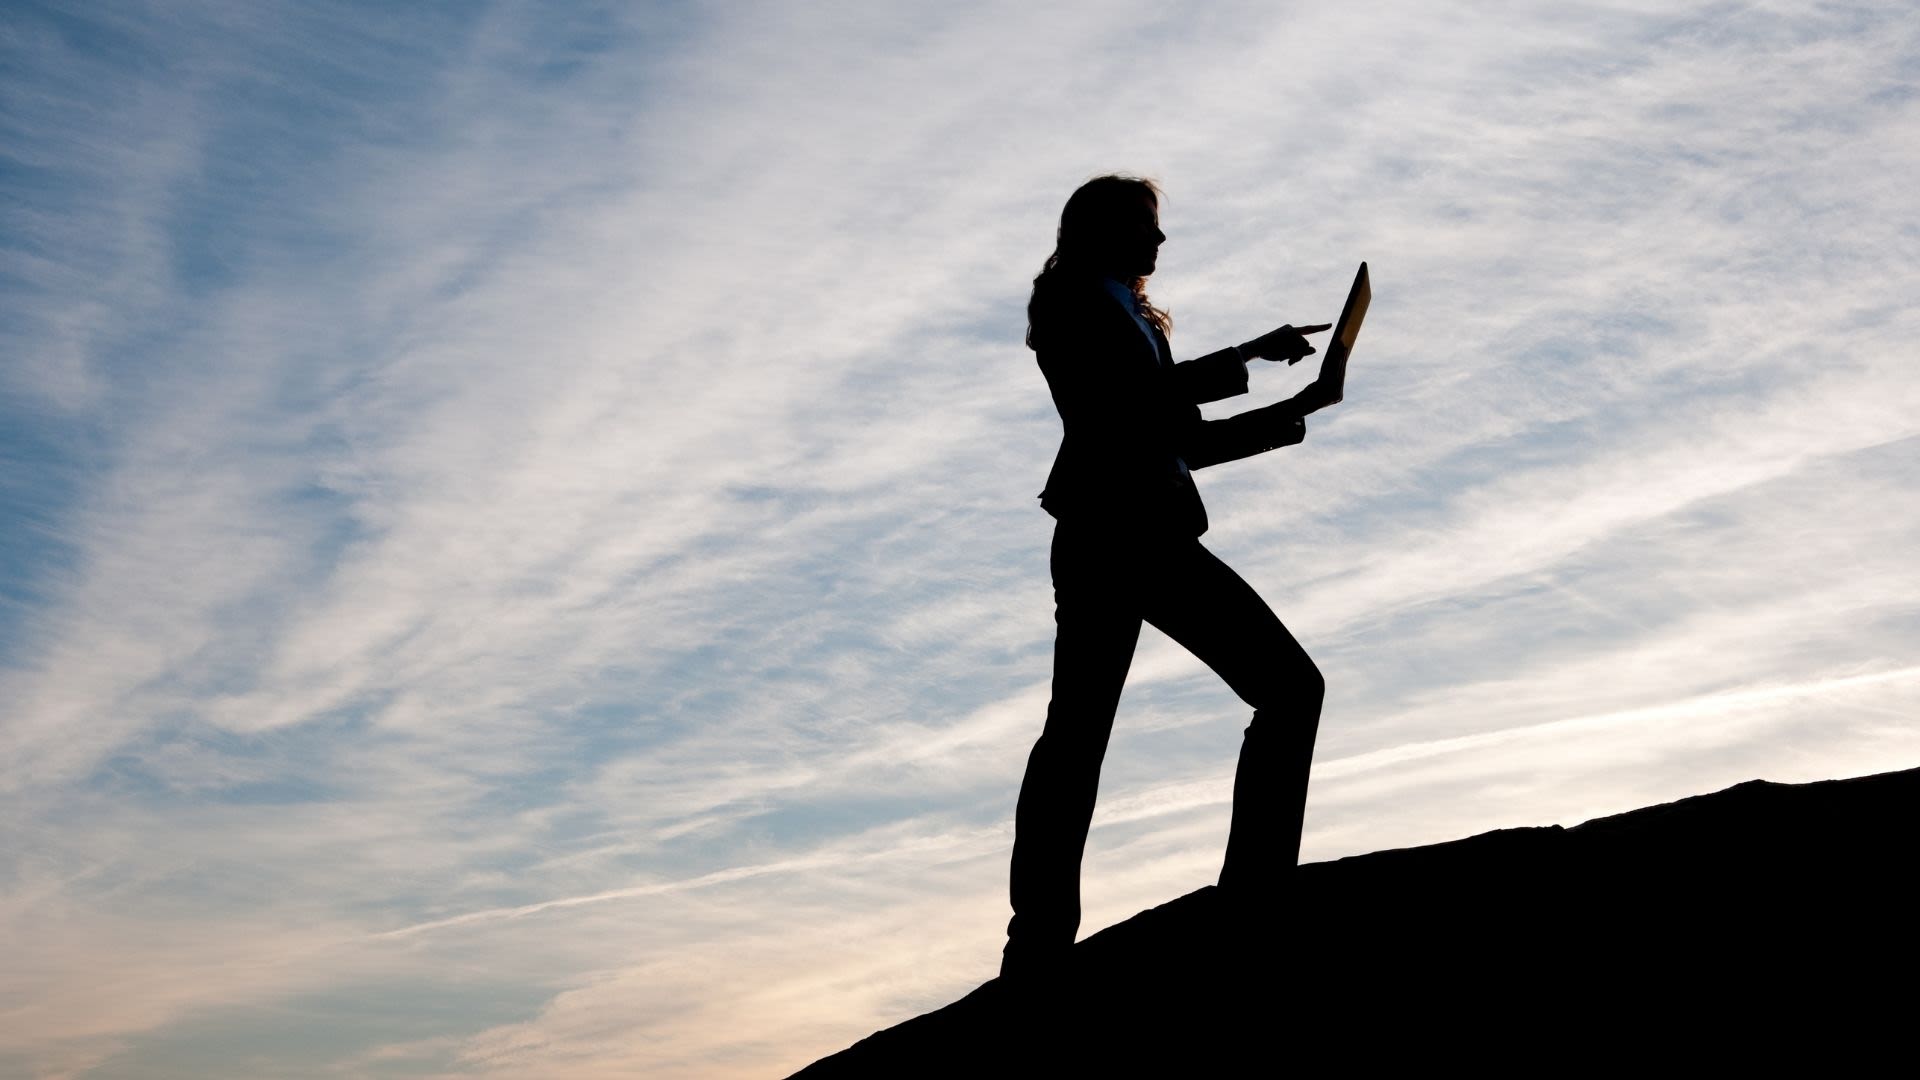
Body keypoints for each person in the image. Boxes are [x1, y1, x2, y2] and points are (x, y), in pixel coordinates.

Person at [1004, 174, 1336, 978]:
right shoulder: (1071, 302)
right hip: (1118, 535)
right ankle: (1055, 937)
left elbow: (1178, 438)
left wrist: (1297, 411)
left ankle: (1043, 940)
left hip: (1130, 532)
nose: (1160, 243)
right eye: (1147, 227)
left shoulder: (1126, 311)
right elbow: (1126, 406)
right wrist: (1249, 353)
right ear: (1104, 230)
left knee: (1079, 736)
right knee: (1282, 692)